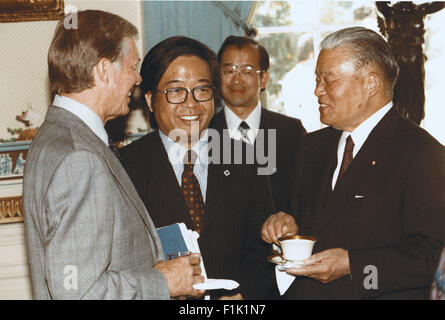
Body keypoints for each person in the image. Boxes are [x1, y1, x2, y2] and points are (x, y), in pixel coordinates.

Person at [23, 10, 204, 300]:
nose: (138, 78)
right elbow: (77, 292)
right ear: (104, 70)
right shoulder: (77, 157)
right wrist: (162, 282)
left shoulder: (58, 136)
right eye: (133, 66)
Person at [261, 27, 445, 299]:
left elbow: (430, 256)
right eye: (317, 79)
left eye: (329, 80)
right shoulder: (313, 146)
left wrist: (353, 266)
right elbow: (310, 220)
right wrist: (287, 226)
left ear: (370, 84)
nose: (317, 91)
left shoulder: (423, 154)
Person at [120, 36, 274, 300]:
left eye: (202, 90)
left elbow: (264, 252)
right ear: (149, 100)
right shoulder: (124, 167)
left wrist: (244, 294)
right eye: (175, 91)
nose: (191, 103)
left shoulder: (244, 158)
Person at [212, 35, 306, 213]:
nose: (237, 79)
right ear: (218, 77)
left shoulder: (291, 132)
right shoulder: (203, 133)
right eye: (229, 71)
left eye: (247, 71)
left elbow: (307, 197)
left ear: (263, 79)